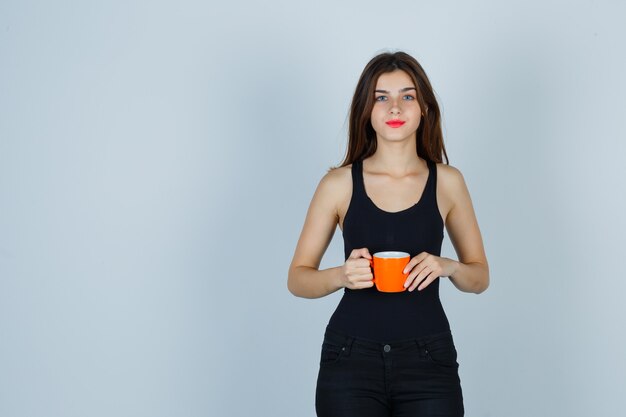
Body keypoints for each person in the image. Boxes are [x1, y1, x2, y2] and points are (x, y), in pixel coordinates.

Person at [287, 50, 489, 417]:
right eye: (382, 97)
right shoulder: (338, 184)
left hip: (428, 359)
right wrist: (341, 275)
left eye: (407, 96)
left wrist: (449, 266)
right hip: (349, 359)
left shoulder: (448, 182)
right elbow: (297, 279)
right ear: (367, 109)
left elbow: (480, 278)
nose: (395, 108)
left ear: (424, 107)